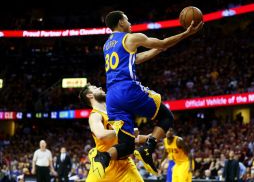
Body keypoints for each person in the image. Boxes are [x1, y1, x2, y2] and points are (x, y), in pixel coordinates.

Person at [88, 10, 203, 178]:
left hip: (112, 97)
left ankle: (103, 157)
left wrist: (159, 50)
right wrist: (186, 33)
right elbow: (162, 43)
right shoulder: (130, 37)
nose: (130, 23)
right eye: (127, 19)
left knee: (126, 146)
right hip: (127, 90)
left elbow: (137, 58)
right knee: (166, 117)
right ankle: (149, 145)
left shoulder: (107, 45)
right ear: (120, 22)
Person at [79, 84, 148, 181]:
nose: (100, 87)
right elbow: (101, 135)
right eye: (95, 88)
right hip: (105, 165)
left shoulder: (115, 113)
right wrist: (125, 130)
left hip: (125, 165)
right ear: (90, 95)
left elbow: (123, 138)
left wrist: (147, 138)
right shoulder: (95, 115)